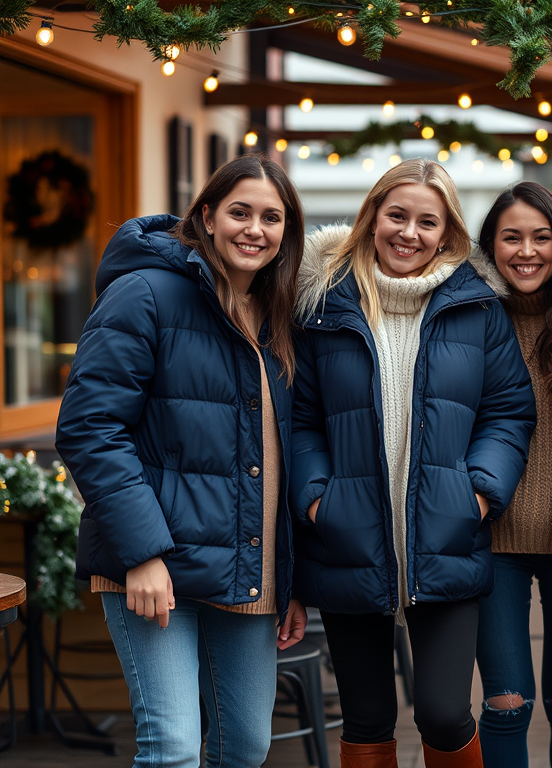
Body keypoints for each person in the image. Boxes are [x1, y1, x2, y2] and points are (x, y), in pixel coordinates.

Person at [56, 153, 307, 768]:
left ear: (286, 233)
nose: (255, 229)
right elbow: (90, 427)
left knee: (245, 747)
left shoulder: (280, 316)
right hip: (155, 568)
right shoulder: (144, 293)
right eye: (239, 212)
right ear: (206, 217)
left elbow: (283, 452)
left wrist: (292, 577)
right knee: (171, 749)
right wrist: (142, 553)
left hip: (249, 566)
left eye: (271, 218)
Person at [290, 158, 535, 768]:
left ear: (448, 231)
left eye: (428, 221)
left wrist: (478, 492)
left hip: (447, 535)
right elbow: (299, 420)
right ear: (371, 216)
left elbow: (508, 413)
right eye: (396, 215)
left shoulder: (478, 309)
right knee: (367, 716)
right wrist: (318, 498)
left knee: (445, 712)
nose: (409, 233)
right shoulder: (324, 305)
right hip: (348, 538)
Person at [474, 182, 552, 768]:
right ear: (490, 246)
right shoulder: (470, 316)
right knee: (505, 704)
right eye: (511, 237)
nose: (527, 251)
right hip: (491, 538)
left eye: (541, 237)